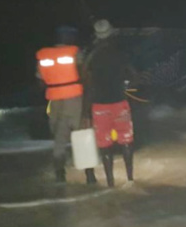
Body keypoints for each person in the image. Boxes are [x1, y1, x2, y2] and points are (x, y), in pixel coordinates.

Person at [35, 26, 95, 184]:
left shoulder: (43, 55)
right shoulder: (75, 52)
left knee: (59, 138)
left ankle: (60, 175)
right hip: (74, 98)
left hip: (54, 100)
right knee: (81, 135)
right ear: (69, 38)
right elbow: (84, 74)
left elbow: (40, 83)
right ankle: (89, 175)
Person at [83, 19, 137, 187]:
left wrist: (85, 112)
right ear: (111, 33)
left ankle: (110, 183)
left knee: (105, 146)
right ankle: (130, 179)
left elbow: (87, 84)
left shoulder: (91, 56)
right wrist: (125, 85)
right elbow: (136, 77)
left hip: (99, 106)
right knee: (126, 141)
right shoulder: (120, 53)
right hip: (119, 103)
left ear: (97, 36)